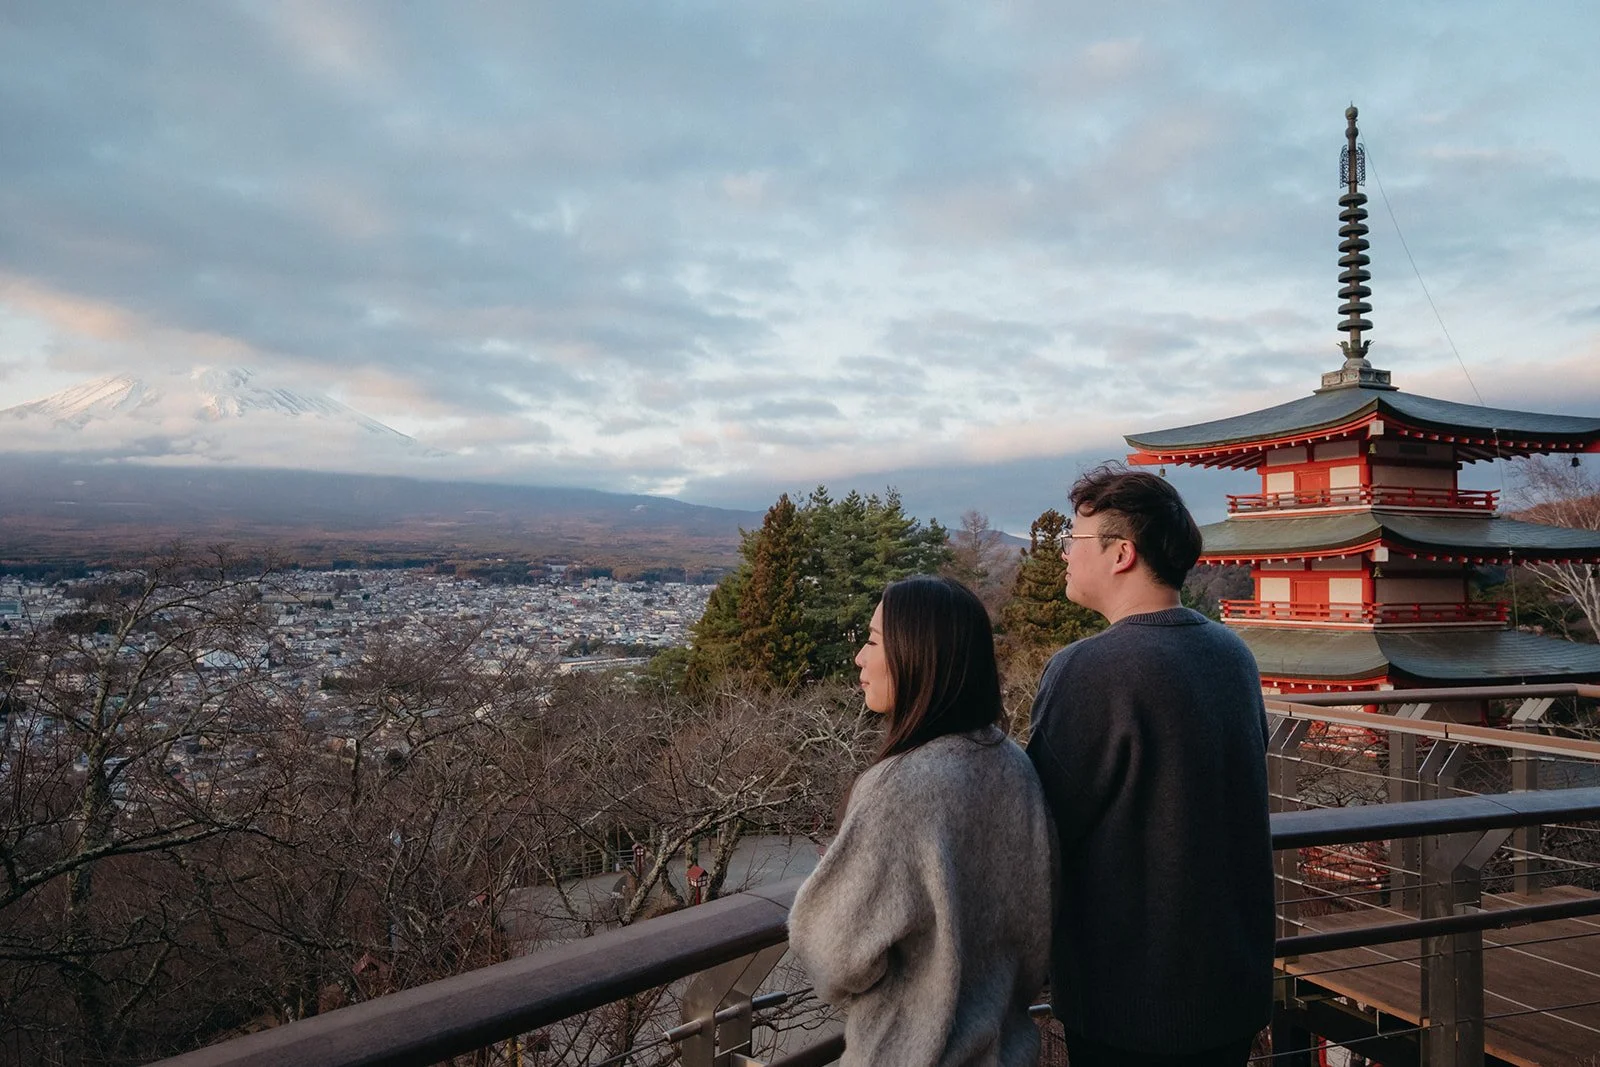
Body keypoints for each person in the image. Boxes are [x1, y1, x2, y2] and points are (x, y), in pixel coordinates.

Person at [1027, 463, 1273, 1067]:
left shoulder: (1089, 669)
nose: (1063, 553)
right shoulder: (1232, 654)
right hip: (1230, 985)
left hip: (1128, 1004)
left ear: (1121, 554)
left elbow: (1038, 828)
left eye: (1074, 539)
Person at [788, 575, 1055, 1067]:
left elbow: (829, 954)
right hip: (1009, 1049)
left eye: (871, 642)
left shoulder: (901, 787)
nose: (859, 660)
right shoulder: (1014, 765)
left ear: (918, 656)